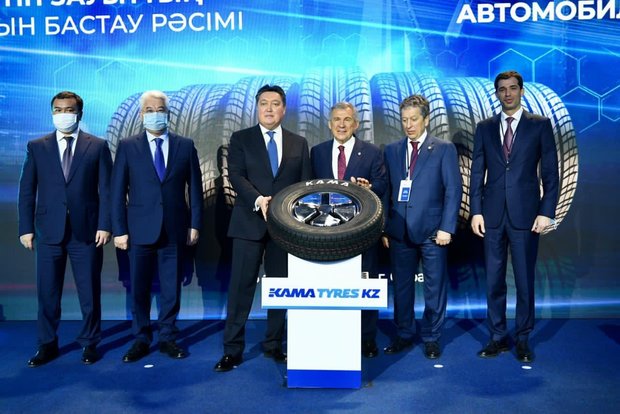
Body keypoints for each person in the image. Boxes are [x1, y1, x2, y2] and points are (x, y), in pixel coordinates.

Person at [214, 84, 312, 372]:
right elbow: (236, 175)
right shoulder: (241, 138)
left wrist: (292, 217)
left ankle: (274, 345)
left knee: (280, 288)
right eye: (264, 103)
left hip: (284, 229)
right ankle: (232, 350)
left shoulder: (298, 143)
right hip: (248, 223)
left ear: (284, 109)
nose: (269, 108)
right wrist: (259, 200)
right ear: (257, 108)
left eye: (275, 103)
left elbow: (305, 184)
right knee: (240, 288)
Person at [18, 91, 112, 367]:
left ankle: (90, 343)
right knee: (47, 293)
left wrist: (105, 224)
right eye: (58, 110)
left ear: (79, 114)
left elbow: (107, 191)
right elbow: (27, 191)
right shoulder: (37, 147)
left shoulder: (97, 146)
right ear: (52, 113)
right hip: (48, 230)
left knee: (89, 292)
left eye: (68, 110)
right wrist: (25, 228)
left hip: (87, 230)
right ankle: (47, 344)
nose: (63, 115)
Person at [470, 70, 559, 363]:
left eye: (512, 88)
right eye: (502, 89)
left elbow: (550, 173)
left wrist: (546, 212)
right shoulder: (484, 127)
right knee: (494, 280)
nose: (507, 93)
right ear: (496, 93)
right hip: (492, 216)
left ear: (521, 91)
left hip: (526, 215)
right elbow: (476, 173)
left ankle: (522, 338)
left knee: (524, 280)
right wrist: (476, 211)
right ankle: (497, 337)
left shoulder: (540, 125)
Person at [111, 90, 203, 363]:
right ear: (142, 115)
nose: (155, 114)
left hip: (175, 229)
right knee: (138, 288)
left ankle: (167, 337)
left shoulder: (185, 146)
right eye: (149, 110)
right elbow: (117, 192)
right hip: (138, 230)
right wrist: (119, 230)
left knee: (171, 288)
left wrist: (195, 224)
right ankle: (141, 338)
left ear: (168, 113)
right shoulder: (128, 146)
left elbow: (195, 190)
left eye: (159, 109)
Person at [381, 95, 461, 359]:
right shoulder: (392, 150)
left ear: (426, 119)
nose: (408, 125)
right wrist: (385, 228)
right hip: (399, 231)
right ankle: (404, 333)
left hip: (433, 231)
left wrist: (447, 227)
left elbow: (453, 190)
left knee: (434, 287)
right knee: (402, 287)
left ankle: (431, 336)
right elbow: (387, 190)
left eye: (413, 119)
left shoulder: (444, 149)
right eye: (404, 120)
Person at [310, 102, 387, 358]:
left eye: (347, 120)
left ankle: (367, 339)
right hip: (326, 235)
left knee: (364, 285)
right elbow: (308, 190)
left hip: (362, 233)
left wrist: (368, 188)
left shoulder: (372, 152)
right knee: (329, 285)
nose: (341, 124)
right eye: (336, 119)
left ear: (356, 124)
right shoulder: (317, 152)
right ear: (329, 124)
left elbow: (382, 185)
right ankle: (331, 335)